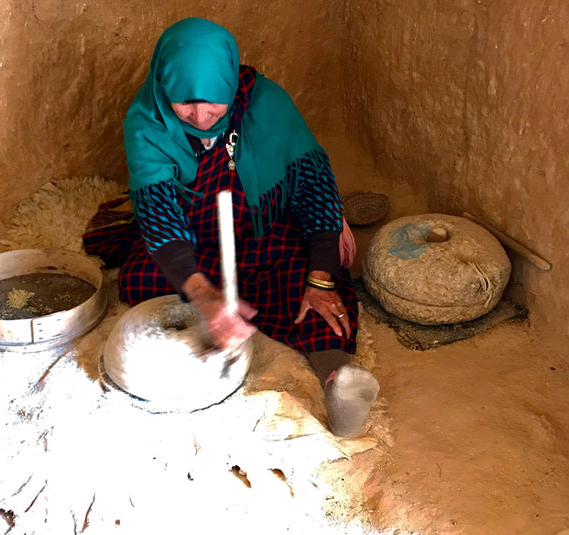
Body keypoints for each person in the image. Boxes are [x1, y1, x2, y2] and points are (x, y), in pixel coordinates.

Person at [84, 17, 378, 437]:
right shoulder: (146, 119)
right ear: (163, 87)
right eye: (183, 103)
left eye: (212, 103)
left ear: (228, 84)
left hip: (266, 230)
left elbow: (314, 189)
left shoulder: (268, 104)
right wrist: (205, 297)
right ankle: (220, 297)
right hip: (196, 234)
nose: (200, 116)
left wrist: (320, 279)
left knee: (319, 302)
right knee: (141, 278)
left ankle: (337, 377)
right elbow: (160, 213)